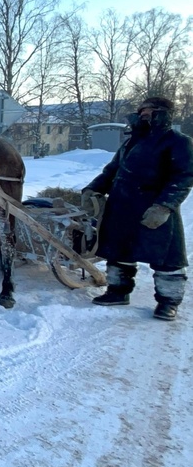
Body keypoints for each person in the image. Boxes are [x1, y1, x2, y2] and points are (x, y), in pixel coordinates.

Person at [82, 96, 193, 320]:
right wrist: (92, 189)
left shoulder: (178, 141)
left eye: (150, 111)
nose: (143, 114)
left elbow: (183, 177)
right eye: (141, 110)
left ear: (164, 114)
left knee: (166, 258)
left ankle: (168, 302)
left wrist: (164, 206)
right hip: (121, 205)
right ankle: (118, 291)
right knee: (119, 252)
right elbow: (111, 170)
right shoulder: (132, 141)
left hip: (153, 208)